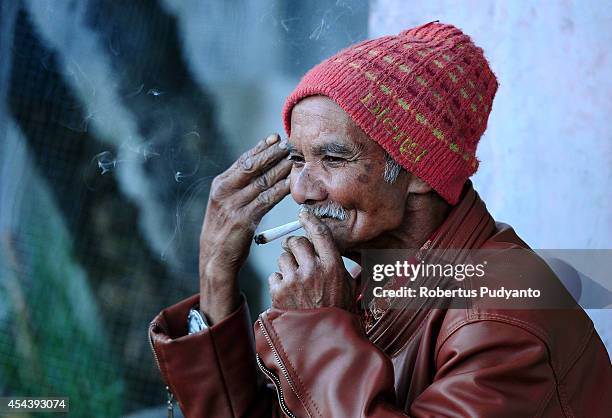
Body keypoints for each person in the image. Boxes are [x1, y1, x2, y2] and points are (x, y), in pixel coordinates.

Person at [149, 22, 612, 417]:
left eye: (332, 158)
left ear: (417, 173)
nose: (301, 190)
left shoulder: (502, 314)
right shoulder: (375, 280)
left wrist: (318, 331)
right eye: (297, 160)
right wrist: (215, 271)